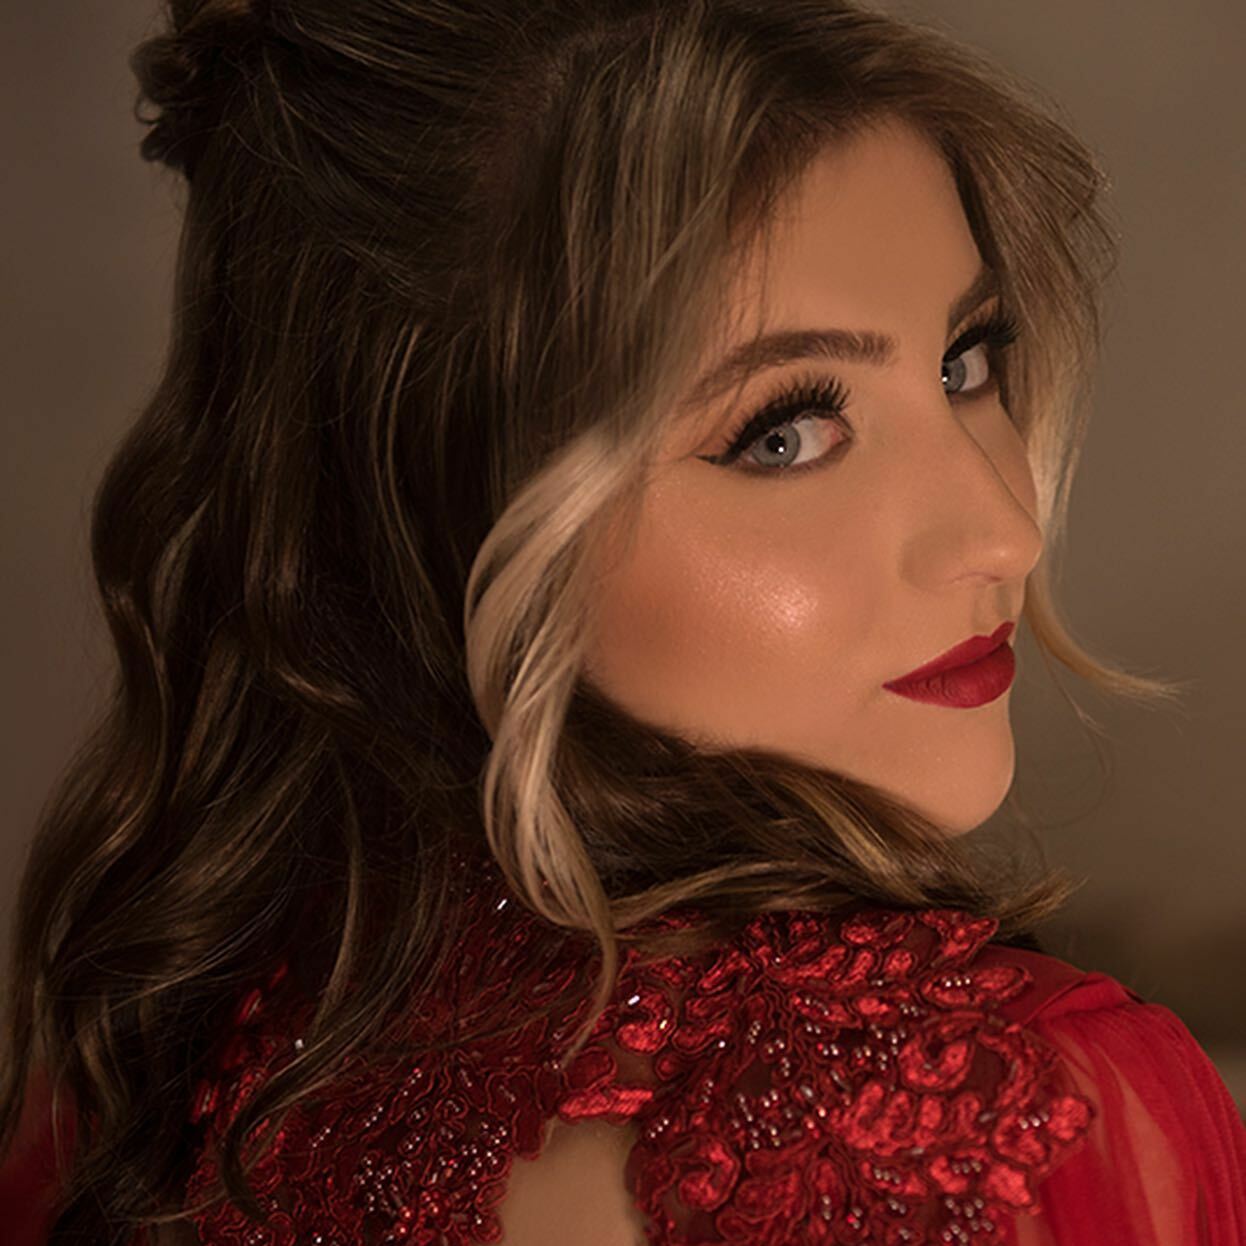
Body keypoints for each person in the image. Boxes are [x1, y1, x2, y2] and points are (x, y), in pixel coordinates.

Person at [2, 0, 1243, 1242]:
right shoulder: (1044, 1113)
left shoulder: (149, 1090)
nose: (1002, 533)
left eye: (963, 362)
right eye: (784, 433)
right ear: (450, 508)